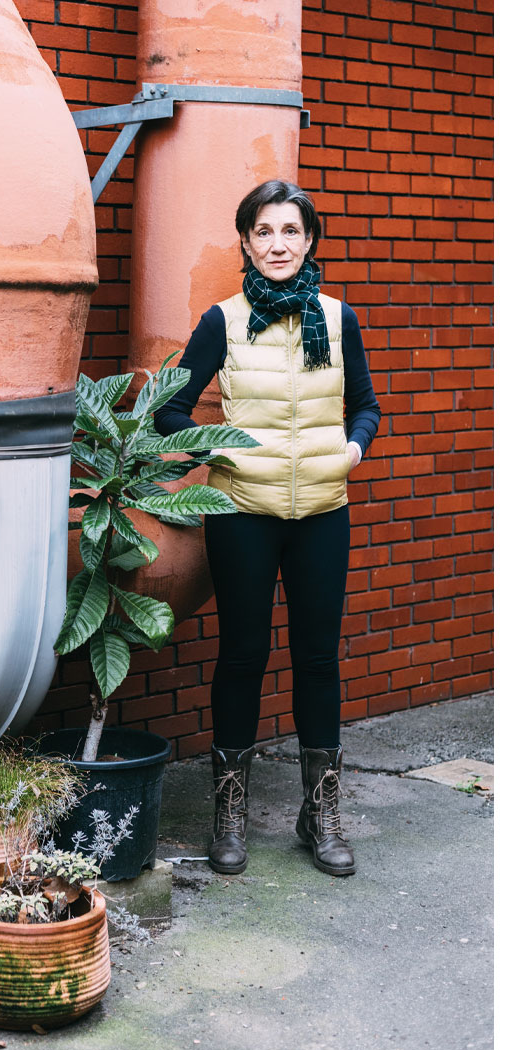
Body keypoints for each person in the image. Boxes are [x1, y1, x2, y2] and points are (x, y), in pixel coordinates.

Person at [153, 178, 382, 878]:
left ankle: (321, 813)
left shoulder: (339, 318)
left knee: (317, 659)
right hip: (242, 516)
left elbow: (367, 407)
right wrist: (221, 449)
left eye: (291, 231)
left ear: (309, 240)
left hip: (322, 512)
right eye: (264, 232)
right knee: (243, 656)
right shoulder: (223, 321)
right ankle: (231, 814)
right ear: (247, 243)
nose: (278, 244)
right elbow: (171, 411)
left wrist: (353, 449)